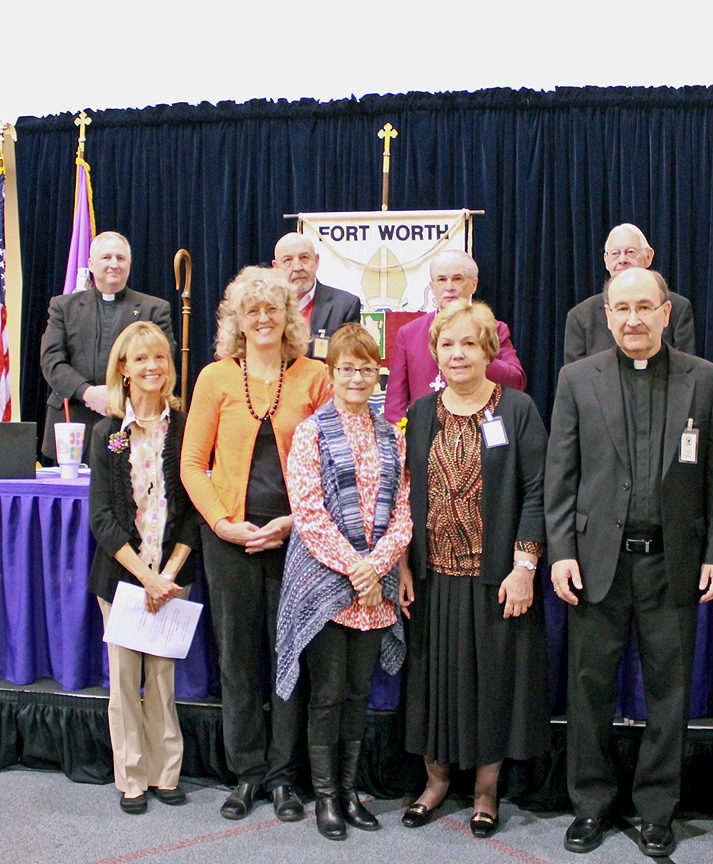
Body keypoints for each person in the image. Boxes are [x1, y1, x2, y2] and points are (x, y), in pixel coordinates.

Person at [546, 267, 713, 858]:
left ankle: (657, 811)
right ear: (607, 316)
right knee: (589, 690)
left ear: (665, 313)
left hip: (672, 562)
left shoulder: (706, 381)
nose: (633, 319)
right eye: (622, 308)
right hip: (596, 563)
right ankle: (590, 805)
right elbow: (561, 475)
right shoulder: (577, 379)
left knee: (669, 693)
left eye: (644, 307)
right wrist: (561, 552)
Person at [180, 267, 331, 822]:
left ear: (289, 317)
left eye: (272, 309)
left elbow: (332, 465)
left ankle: (284, 778)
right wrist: (223, 524)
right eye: (252, 311)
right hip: (230, 542)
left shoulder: (316, 376)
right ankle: (246, 773)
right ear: (237, 322)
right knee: (239, 660)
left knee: (290, 661)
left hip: (299, 541)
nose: (263, 319)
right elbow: (192, 464)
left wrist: (294, 521)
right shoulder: (215, 378)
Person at [401, 299, 549, 839]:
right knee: (432, 686)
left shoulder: (517, 410)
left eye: (468, 343)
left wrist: (525, 565)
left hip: (497, 582)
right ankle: (436, 783)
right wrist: (403, 566)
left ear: (489, 351)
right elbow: (404, 495)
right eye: (447, 344)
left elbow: (538, 491)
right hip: (433, 579)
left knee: (493, 686)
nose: (457, 353)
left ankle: (486, 789)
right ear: (435, 352)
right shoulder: (421, 413)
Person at [274, 324, 412, 841]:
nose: (356, 378)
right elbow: (309, 514)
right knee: (328, 694)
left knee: (358, 693)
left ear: (377, 374)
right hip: (324, 586)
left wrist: (376, 568)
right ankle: (325, 796)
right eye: (346, 368)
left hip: (373, 588)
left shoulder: (392, 435)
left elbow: (403, 511)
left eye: (365, 368)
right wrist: (358, 570)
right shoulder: (310, 432)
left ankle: (349, 792)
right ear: (330, 373)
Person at [88, 321, 198, 815]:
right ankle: (131, 778)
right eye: (140, 359)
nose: (152, 367)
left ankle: (165, 773)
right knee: (123, 683)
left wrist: (167, 576)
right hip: (122, 580)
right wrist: (145, 577)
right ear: (124, 369)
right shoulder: (107, 433)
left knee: (162, 682)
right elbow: (101, 518)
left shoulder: (185, 425)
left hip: (171, 579)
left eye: (159, 358)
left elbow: (194, 512)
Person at [40, 231, 176, 463]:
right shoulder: (63, 306)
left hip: (131, 419)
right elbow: (51, 359)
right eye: (106, 258)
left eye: (120, 258)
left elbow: (164, 360)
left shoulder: (154, 309)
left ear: (129, 264)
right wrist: (86, 392)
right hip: (72, 424)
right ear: (91, 264)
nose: (114, 264)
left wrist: (118, 396)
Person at [383, 250, 526, 423]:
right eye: (442, 280)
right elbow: (394, 406)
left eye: (457, 279)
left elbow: (516, 382)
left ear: (474, 284)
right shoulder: (409, 333)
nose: (449, 287)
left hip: (478, 427)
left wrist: (480, 355)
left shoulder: (494, 329)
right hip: (425, 430)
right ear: (432, 286)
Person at [563, 223, 695, 364]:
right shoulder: (580, 316)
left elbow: (686, 368)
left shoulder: (678, 308)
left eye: (630, 252)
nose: (622, 260)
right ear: (606, 261)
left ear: (649, 257)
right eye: (615, 254)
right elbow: (576, 375)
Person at [273, 232, 362, 360]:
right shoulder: (267, 308)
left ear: (316, 261)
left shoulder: (345, 306)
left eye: (304, 258)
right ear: (276, 267)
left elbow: (348, 361)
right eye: (288, 260)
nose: (297, 267)